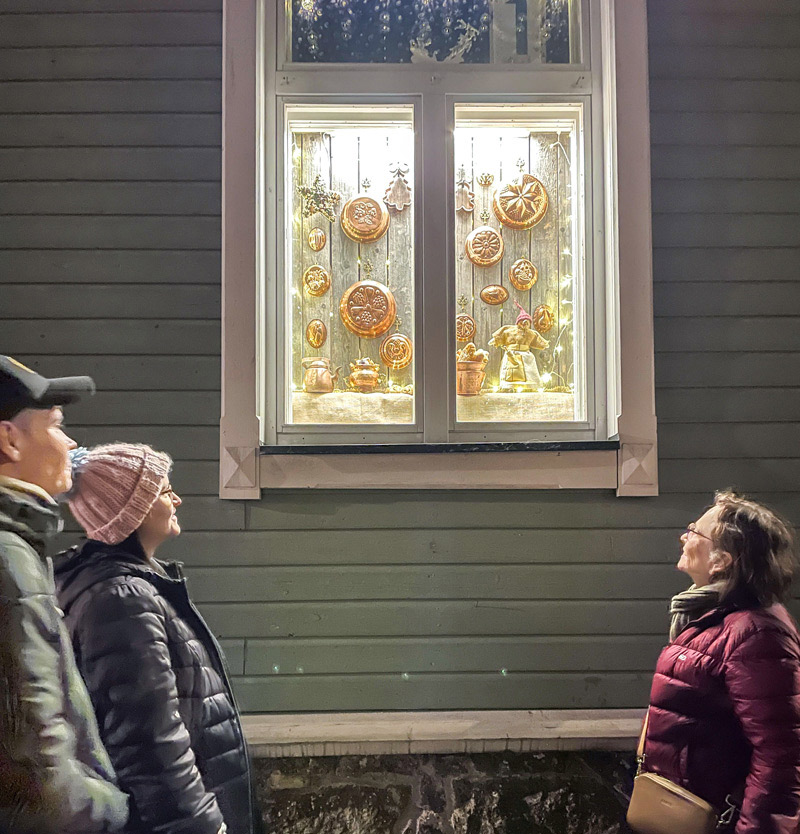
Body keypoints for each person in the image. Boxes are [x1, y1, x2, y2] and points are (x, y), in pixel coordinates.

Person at [54, 443, 258, 834]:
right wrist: (202, 825)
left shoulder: (134, 586)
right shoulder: (122, 599)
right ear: (136, 509)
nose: (177, 499)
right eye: (165, 491)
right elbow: (150, 740)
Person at [0, 356, 128, 834]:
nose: (70, 443)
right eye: (56, 425)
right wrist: (114, 809)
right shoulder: (9, 562)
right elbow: (38, 771)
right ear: (9, 440)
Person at [641, 491, 800, 833]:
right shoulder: (712, 617)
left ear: (722, 561)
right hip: (685, 807)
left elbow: (780, 758)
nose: (684, 537)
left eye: (694, 532)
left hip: (719, 820)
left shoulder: (756, 633)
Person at [488, 302, 548, 391]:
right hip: (511, 354)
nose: (524, 323)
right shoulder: (509, 330)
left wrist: (543, 344)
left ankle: (531, 386)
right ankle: (508, 386)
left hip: (526, 355)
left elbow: (537, 339)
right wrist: (495, 340)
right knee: (510, 371)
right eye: (522, 321)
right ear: (518, 322)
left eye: (526, 321)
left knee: (529, 370)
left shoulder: (531, 333)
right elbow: (502, 333)